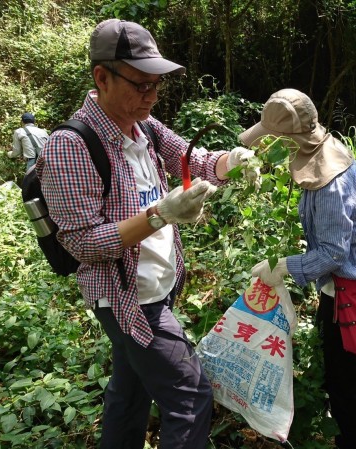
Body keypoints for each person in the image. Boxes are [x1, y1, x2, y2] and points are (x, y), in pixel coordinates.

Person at [35, 19, 258, 449]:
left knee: (131, 391)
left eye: (157, 85)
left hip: (158, 285)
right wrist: (160, 215)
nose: (152, 97)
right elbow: (82, 242)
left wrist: (234, 160)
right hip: (127, 298)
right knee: (190, 396)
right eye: (141, 85)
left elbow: (192, 160)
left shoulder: (145, 128)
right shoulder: (71, 145)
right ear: (102, 77)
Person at [242, 88, 356, 449]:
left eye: (274, 140)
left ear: (292, 138)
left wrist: (283, 267)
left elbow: (333, 253)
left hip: (350, 295)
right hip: (339, 289)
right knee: (339, 377)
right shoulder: (324, 150)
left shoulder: (329, 182)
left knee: (345, 388)